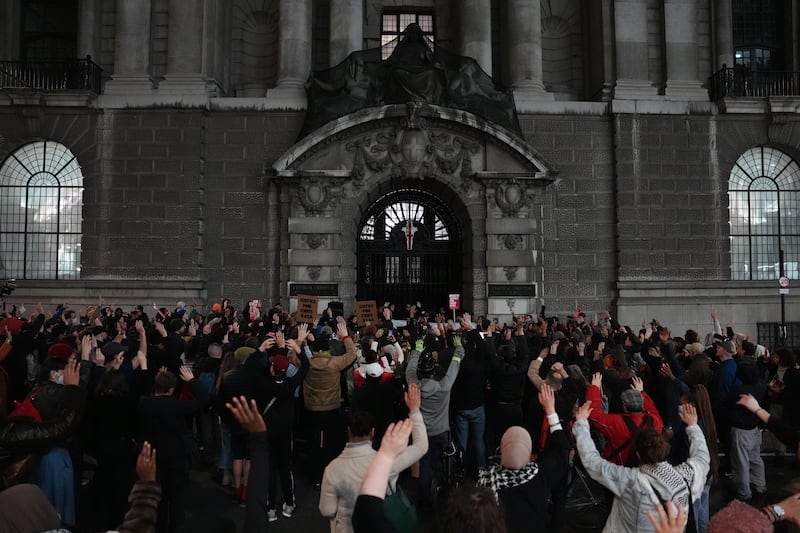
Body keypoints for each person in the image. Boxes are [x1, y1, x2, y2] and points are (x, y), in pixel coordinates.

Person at [573, 399, 709, 533]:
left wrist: (581, 424)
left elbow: (593, 462)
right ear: (666, 450)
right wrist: (693, 426)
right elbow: (702, 456)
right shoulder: (686, 476)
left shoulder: (630, 481)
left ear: (638, 455)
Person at [319, 383, 427, 533]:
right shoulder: (387, 463)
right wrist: (414, 411)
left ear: (348, 431)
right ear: (372, 432)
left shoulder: (332, 469)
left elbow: (327, 510)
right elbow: (421, 446)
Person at [477, 383, 571, 532]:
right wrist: (551, 411)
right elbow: (562, 451)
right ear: (528, 453)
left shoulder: (484, 483)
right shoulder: (539, 476)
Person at [137, 365, 209, 533]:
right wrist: (192, 381)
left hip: (152, 457)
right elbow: (204, 399)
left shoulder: (143, 405)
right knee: (177, 500)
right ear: (171, 389)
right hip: (175, 458)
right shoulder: (177, 407)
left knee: (158, 499)